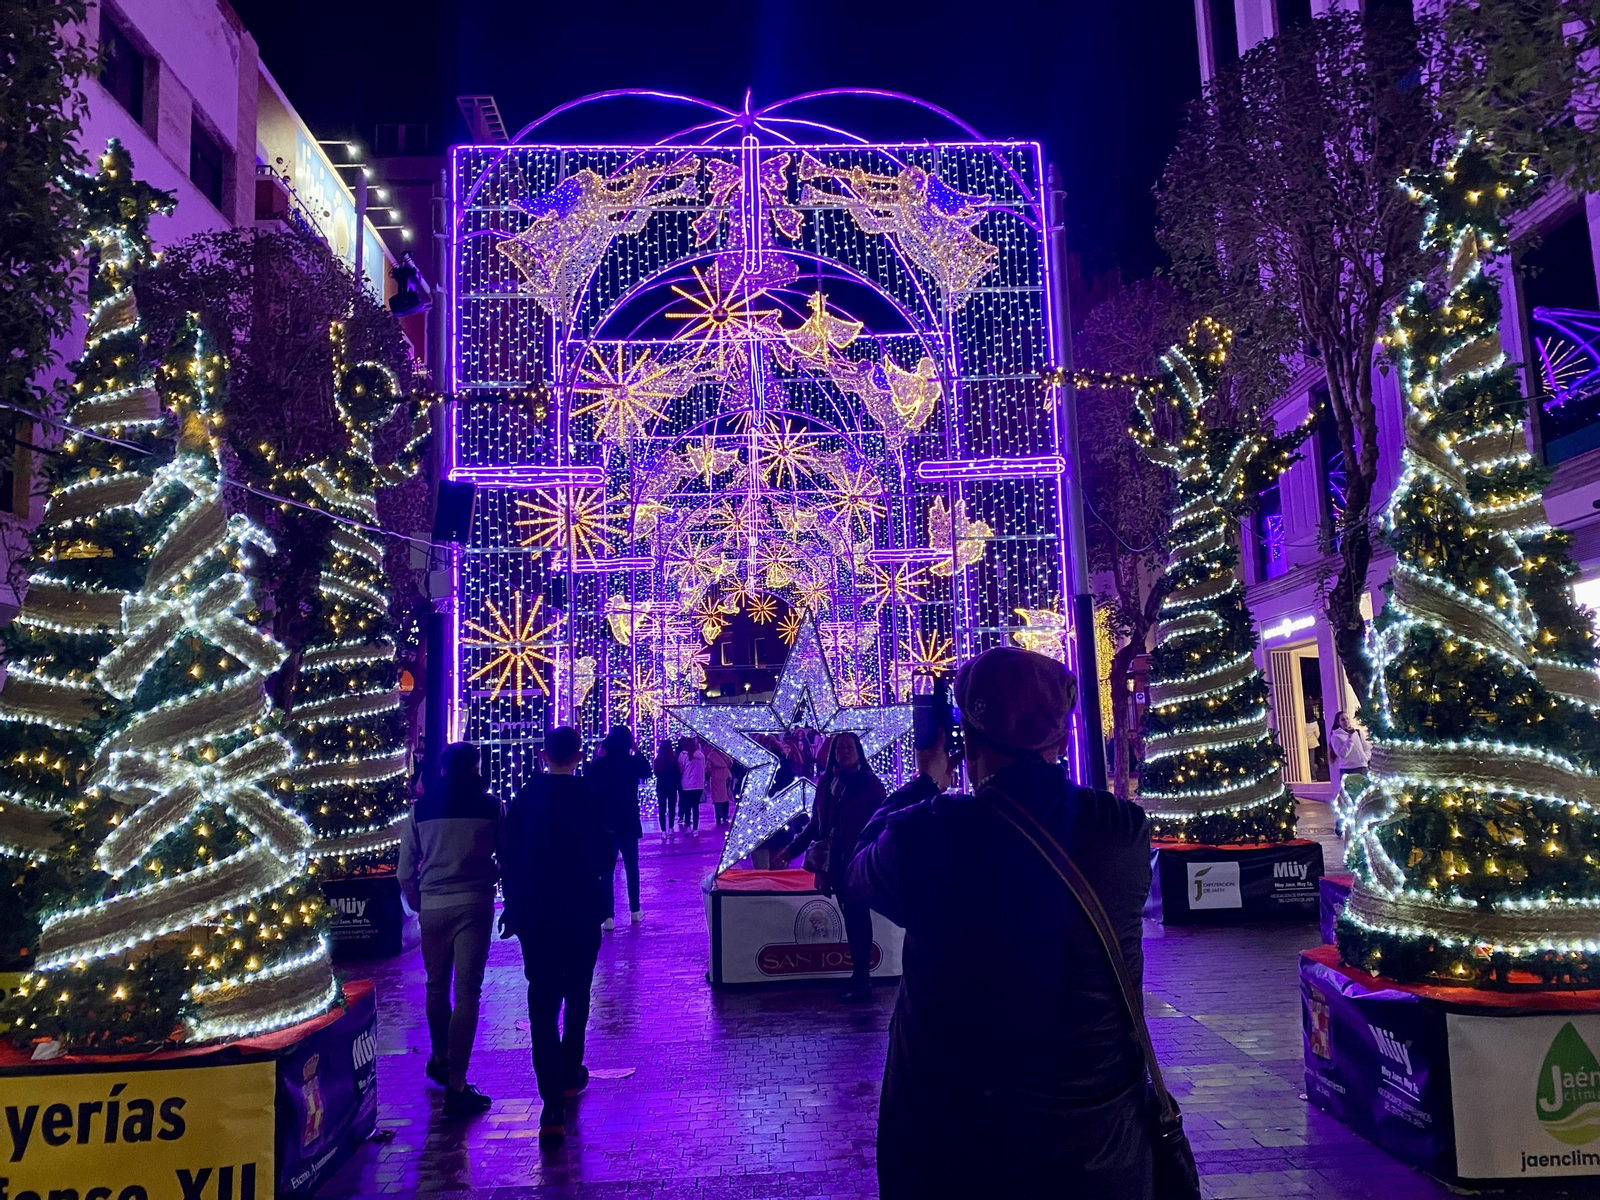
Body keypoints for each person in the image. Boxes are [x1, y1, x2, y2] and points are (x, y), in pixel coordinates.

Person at [844, 647, 1154, 1198]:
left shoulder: (931, 833)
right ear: (1060, 741)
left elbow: (859, 864)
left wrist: (926, 782)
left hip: (954, 1153)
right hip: (1100, 1151)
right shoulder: (1122, 831)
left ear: (967, 740)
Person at [500, 726, 613, 1144]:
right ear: (578, 754)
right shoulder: (589, 796)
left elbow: (508, 856)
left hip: (538, 914)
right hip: (581, 910)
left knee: (542, 1001)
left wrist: (513, 906)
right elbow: (604, 857)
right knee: (579, 992)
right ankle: (570, 1071)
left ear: (543, 754)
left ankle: (551, 1103)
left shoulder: (526, 798)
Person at [397, 741, 500, 1118]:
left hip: (434, 905)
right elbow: (505, 855)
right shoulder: (491, 807)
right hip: (474, 902)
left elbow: (406, 869)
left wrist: (420, 902)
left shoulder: (421, 810)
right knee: (468, 992)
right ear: (475, 767)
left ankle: (440, 1056)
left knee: (436, 984)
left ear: (442, 770)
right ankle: (457, 1082)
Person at [777, 731, 887, 1003]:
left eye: (850, 747)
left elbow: (882, 824)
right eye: (840, 748)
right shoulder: (827, 783)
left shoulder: (870, 786)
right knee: (853, 919)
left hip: (859, 863)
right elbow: (816, 825)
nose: (845, 752)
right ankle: (859, 978)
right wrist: (790, 850)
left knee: (858, 919)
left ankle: (862, 981)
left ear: (858, 751)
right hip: (835, 865)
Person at [590, 724, 651, 927]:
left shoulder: (599, 764)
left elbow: (590, 786)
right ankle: (634, 909)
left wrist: (598, 754)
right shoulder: (631, 762)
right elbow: (648, 772)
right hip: (628, 821)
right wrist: (637, 749)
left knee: (606, 870)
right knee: (632, 867)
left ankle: (608, 916)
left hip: (606, 823)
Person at [1329, 710, 1371, 783]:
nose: (1346, 721)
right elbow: (1343, 754)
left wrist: (1365, 758)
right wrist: (1350, 739)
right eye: (1343, 719)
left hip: (1362, 767)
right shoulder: (1336, 736)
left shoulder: (1357, 732)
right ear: (1338, 722)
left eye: (1347, 719)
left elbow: (1367, 748)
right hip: (1348, 769)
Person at [652, 738, 681, 840]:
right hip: (672, 787)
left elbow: (656, 773)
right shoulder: (674, 760)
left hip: (661, 786)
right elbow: (678, 773)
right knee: (672, 808)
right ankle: (671, 828)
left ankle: (663, 830)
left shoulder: (657, 761)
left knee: (662, 809)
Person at [677, 735, 706, 835]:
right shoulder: (701, 755)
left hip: (687, 784)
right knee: (696, 807)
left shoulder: (683, 755)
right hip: (698, 784)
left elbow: (681, 769)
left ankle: (688, 826)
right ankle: (695, 829)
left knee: (687, 806)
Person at [704, 742, 734, 827]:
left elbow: (708, 768)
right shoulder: (725, 753)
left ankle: (718, 817)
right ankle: (725, 815)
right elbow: (730, 763)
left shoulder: (711, 755)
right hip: (726, 774)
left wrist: (711, 774)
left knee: (717, 797)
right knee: (726, 796)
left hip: (716, 775)